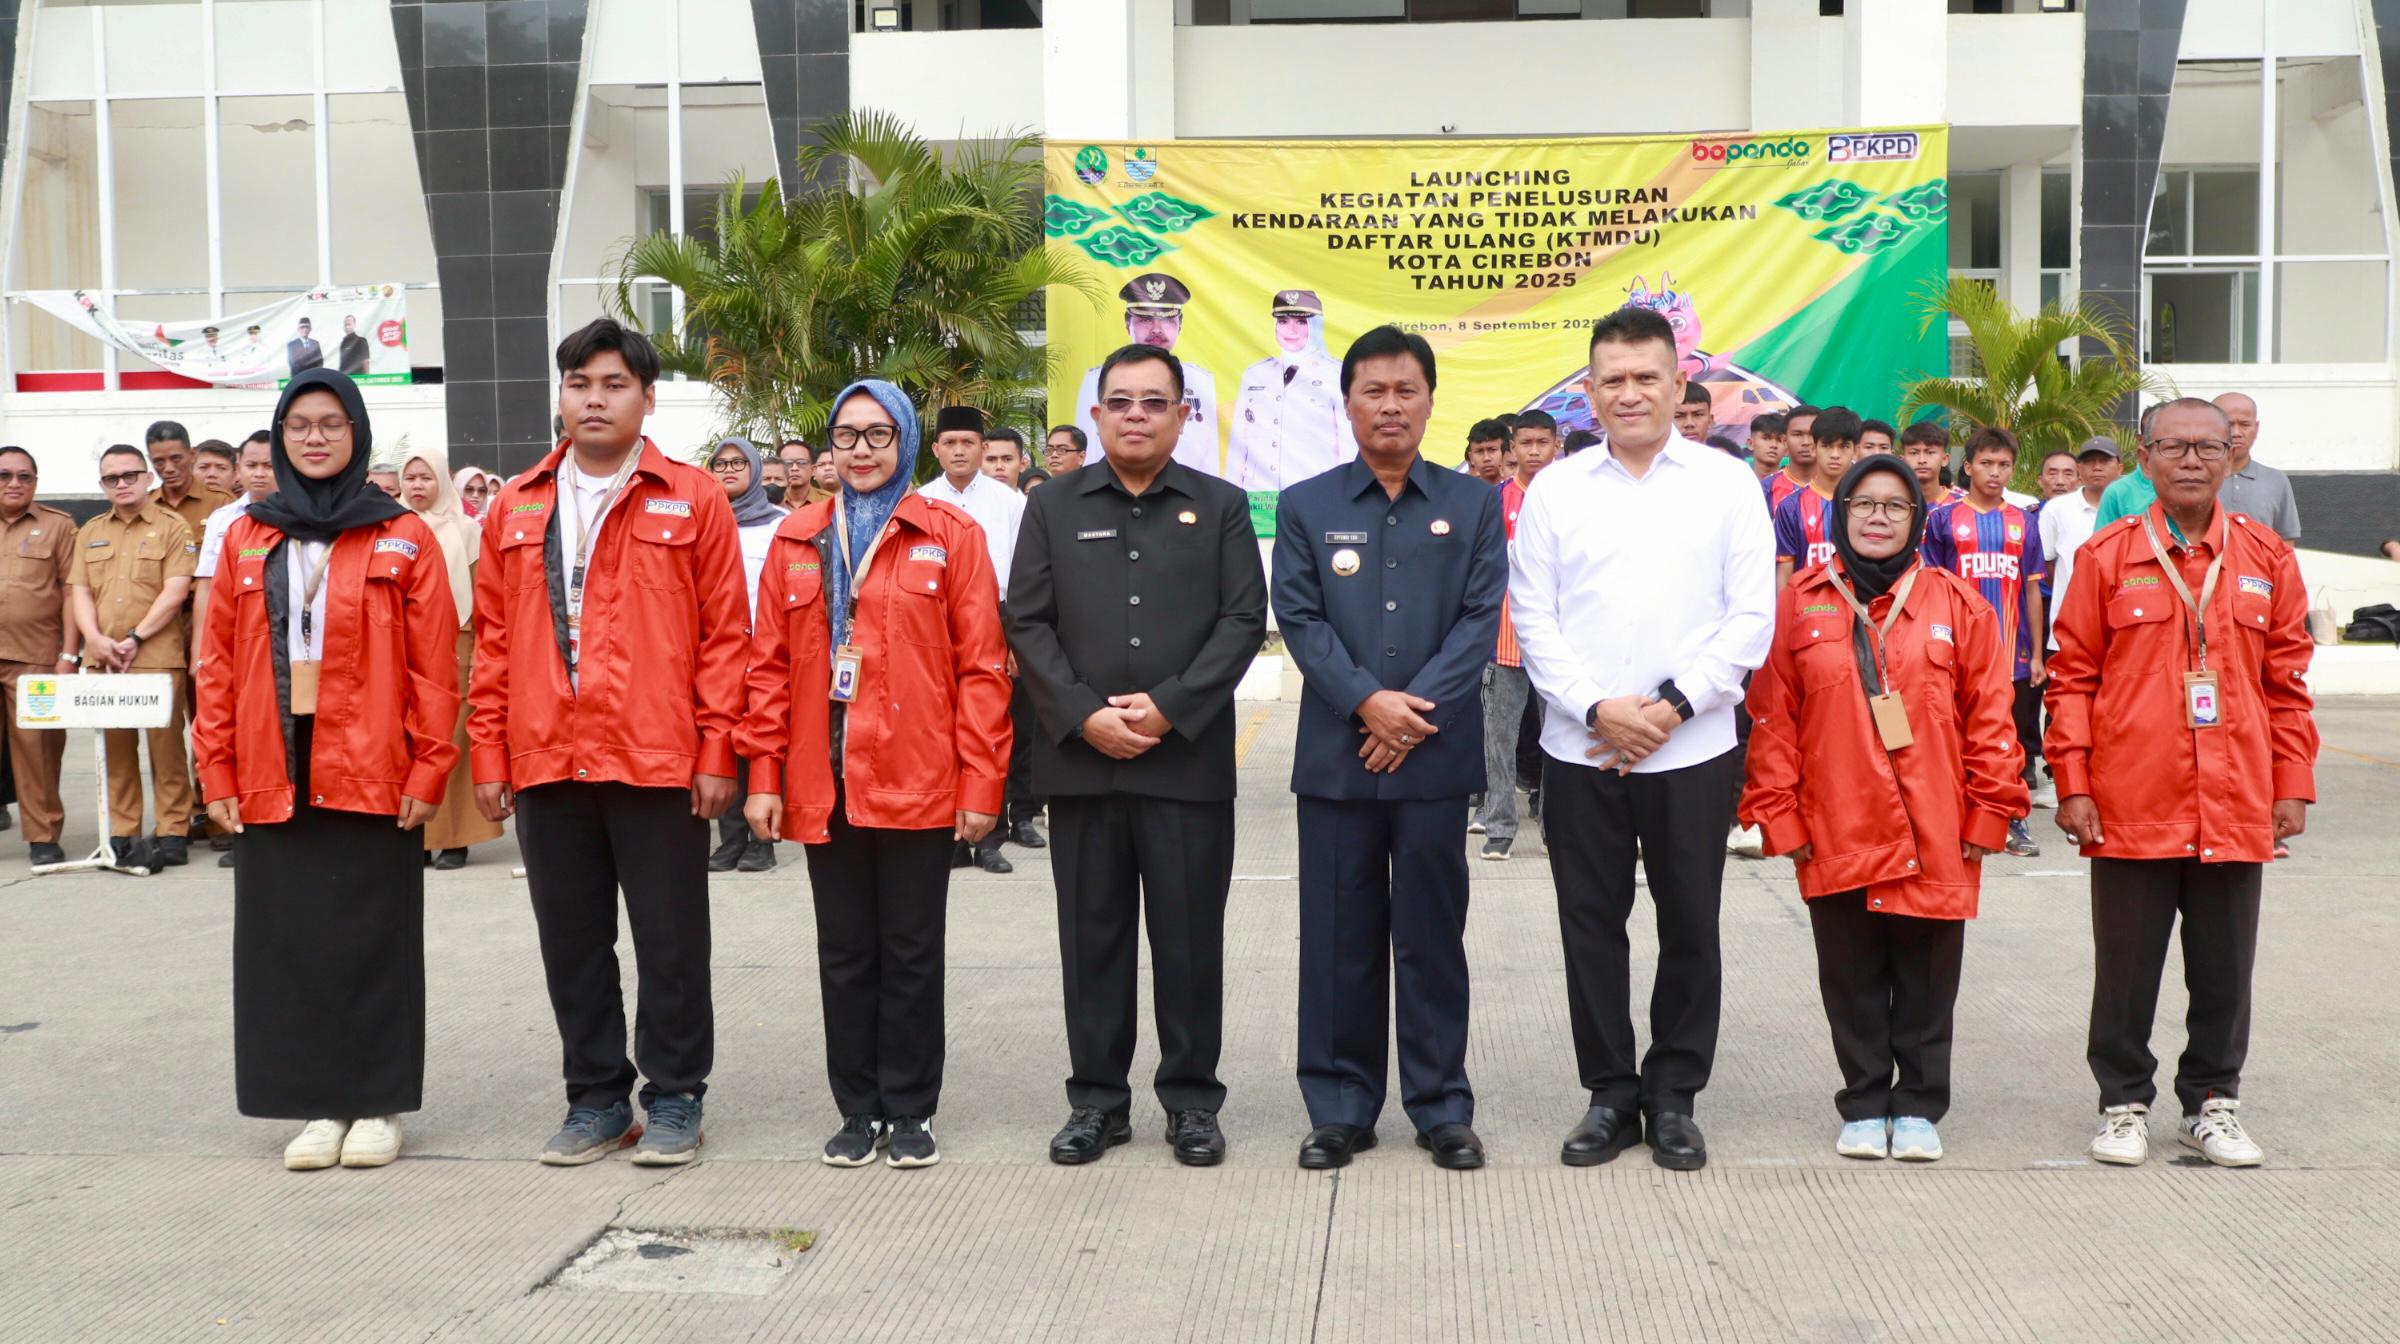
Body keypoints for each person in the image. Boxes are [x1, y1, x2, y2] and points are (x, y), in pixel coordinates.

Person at [468, 318, 747, 1169]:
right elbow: (490, 640)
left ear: (647, 397)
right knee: (572, 940)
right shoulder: (516, 503)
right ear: (561, 396)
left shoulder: (692, 497)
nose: (595, 398)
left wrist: (714, 753)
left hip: (655, 758)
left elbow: (727, 637)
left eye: (614, 384)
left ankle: (674, 1098)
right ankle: (594, 1099)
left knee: (670, 941)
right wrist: (490, 753)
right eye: (580, 383)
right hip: (548, 758)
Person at [1510, 305, 1775, 1173]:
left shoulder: (1726, 483)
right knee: (1591, 925)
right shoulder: (1555, 488)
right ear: (1589, 393)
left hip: (1691, 748)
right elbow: (1535, 621)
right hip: (1580, 749)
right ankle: (1609, 1094)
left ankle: (1673, 1097)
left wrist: (1666, 707)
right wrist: (1597, 711)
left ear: (1677, 384)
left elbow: (1749, 619)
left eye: (1646, 377)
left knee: (1690, 923)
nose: (1630, 393)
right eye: (1612, 379)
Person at [193, 368, 459, 1172]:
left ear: (358, 434)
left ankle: (376, 1103)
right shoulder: (247, 534)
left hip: (372, 757)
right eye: (300, 424)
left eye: (332, 424)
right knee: (287, 941)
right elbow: (213, 665)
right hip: (273, 755)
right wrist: (218, 773)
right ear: (278, 437)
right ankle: (315, 1105)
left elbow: (436, 667)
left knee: (373, 936)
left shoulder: (401, 535)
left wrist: (427, 772)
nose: (314, 437)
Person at [742, 379, 1011, 1172]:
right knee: (845, 952)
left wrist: (979, 786)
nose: (862, 450)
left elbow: (983, 670)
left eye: (878, 435)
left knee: (912, 950)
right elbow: (764, 671)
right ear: (830, 447)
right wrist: (763, 775)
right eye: (848, 435)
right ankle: (857, 1109)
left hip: (918, 776)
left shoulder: (950, 534)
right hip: (822, 780)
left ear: (905, 444)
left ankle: (912, 1109)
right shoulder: (795, 537)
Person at [1009, 343, 1266, 1168]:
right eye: (1120, 401)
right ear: (1096, 415)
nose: (1136, 415)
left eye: (1155, 402)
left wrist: (1168, 709)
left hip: (1183, 765)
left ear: (1184, 415)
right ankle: (1096, 1102)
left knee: (1189, 942)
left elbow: (1241, 621)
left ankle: (1192, 1101)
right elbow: (1028, 622)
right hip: (1083, 765)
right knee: (1093, 940)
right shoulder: (1051, 506)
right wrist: (1084, 716)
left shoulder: (1222, 507)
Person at [2045, 396, 2316, 1169]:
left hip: (2235, 798)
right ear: (2145, 456)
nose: (2192, 459)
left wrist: (2289, 782)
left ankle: (2212, 1104)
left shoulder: (2267, 558)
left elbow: (2288, 684)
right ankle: (2123, 1101)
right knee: (2126, 965)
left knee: (2226, 963)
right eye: (2175, 446)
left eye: (2209, 447)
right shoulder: (2106, 558)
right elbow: (2072, 680)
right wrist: (2073, 782)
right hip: (2133, 798)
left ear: (2234, 457)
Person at [1740, 453, 2027, 1163]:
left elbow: (1992, 719)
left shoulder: (1957, 604)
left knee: (1928, 976)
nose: (1877, 516)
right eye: (1862, 503)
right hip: (1834, 817)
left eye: (1894, 506)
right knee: (1850, 972)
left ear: (1916, 518)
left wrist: (1991, 813)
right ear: (1840, 516)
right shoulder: (1800, 602)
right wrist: (1780, 816)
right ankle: (1865, 1100)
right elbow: (1772, 719)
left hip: (1938, 822)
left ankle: (1921, 1105)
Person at [1274, 326, 1505, 1174]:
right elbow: (1300, 621)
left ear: (1429, 399)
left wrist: (1409, 717)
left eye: (1406, 389)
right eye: (1373, 390)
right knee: (1338, 936)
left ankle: (1441, 1106)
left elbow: (1479, 619)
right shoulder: (1307, 505)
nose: (1391, 405)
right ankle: (1339, 1107)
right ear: (1349, 402)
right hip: (1338, 762)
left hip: (1435, 760)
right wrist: (1368, 704)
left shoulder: (1474, 504)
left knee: (1431, 935)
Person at [71, 445, 199, 870]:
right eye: (112, 478)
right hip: (104, 658)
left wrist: (134, 637)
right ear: (102, 485)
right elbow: (80, 592)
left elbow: (176, 590)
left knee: (166, 752)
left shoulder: (172, 527)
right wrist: (93, 638)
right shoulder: (88, 531)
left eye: (130, 475)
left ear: (148, 478)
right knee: (116, 750)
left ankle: (172, 831)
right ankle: (123, 832)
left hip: (156, 656)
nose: (122, 484)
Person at [1923, 427, 2048, 857]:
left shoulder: (2023, 521)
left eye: (2004, 465)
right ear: (1968, 465)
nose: (1996, 473)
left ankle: (2013, 821)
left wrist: (2036, 654)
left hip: (2011, 651)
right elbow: (1932, 586)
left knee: (2005, 737)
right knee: (1956, 734)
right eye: (1987, 463)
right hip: (1957, 650)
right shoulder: (1942, 519)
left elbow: (2032, 589)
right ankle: (1955, 816)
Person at [919, 406, 1029, 872]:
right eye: (951, 443)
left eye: (969, 443)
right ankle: (950, 837)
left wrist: (1016, 641)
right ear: (936, 450)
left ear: (984, 449)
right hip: (935, 619)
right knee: (942, 728)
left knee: (993, 727)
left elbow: (1026, 574)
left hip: (996, 618)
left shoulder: (1011, 503)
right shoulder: (920, 502)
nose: (960, 450)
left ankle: (990, 839)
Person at [397, 443, 503, 872]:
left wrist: (481, 650)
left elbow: (485, 597)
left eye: (426, 477)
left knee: (454, 736)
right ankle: (416, 835)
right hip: (402, 643)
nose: (417, 485)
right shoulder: (389, 527)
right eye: (410, 477)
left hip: (456, 640)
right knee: (408, 736)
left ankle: (455, 838)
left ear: (442, 480)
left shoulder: (468, 530)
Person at [1470, 410, 1557, 862]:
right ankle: (1500, 827)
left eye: (1543, 443)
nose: (1535, 452)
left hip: (1558, 647)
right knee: (1498, 740)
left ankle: (1554, 827)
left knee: (1559, 741)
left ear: (1556, 445)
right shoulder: (1495, 501)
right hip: (1504, 642)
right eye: (1526, 444)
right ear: (1512, 450)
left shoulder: (1569, 499)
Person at [194, 433, 280, 865]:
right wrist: (201, 654)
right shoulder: (225, 522)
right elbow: (208, 591)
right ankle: (235, 829)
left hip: (274, 649)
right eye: (252, 465)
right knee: (230, 736)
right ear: (238, 469)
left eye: (268, 464)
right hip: (231, 641)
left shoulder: (298, 518)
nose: (260, 473)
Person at [704, 436, 787, 875]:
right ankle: (730, 839)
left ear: (755, 469)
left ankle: (762, 841)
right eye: (721, 464)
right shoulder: (703, 521)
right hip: (717, 650)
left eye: (738, 462)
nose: (729, 470)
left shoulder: (780, 523)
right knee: (721, 739)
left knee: (761, 741)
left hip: (767, 647)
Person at [0, 446, 82, 867]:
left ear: (36, 482)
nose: (14, 483)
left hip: (37, 656)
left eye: (24, 476)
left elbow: (73, 592)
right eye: (5, 475)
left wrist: (69, 654)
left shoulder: (58, 526)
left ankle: (43, 835)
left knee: (39, 750)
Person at [1074, 273, 1221, 476]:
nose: (1156, 329)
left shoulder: (1201, 381)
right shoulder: (1096, 380)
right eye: (1145, 319)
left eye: (1168, 319)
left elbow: (1208, 459)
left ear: (1180, 325)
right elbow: (1090, 450)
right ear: (1128, 324)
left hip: (1186, 498)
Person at [1225, 289, 1356, 492]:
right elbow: (1238, 444)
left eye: (1301, 322)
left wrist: (1344, 498)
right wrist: (1231, 495)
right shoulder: (1255, 374)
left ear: (1315, 326)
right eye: (1283, 321)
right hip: (1258, 498)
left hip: (1314, 495)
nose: (1291, 330)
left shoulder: (1336, 374)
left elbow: (1348, 446)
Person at [2040, 437, 2125, 679]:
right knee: (2065, 706)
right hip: (2069, 629)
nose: (2096, 467)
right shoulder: (2057, 509)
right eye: (2089, 461)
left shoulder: (2133, 505)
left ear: (2119, 467)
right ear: (2080, 469)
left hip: (2120, 626)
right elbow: (2046, 564)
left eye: (2104, 461)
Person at [1773, 406, 1861, 587]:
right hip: (1806, 612)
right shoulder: (1790, 507)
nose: (1835, 455)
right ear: (1814, 448)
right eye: (1827, 445)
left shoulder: (1870, 504)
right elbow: (1784, 577)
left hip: (1857, 611)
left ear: (1855, 450)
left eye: (1844, 446)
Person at [2213, 392, 2302, 544]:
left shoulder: (2276, 480)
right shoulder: (2197, 478)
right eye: (2228, 425)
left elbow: (2285, 543)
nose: (2236, 433)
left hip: (2262, 568)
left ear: (2256, 428)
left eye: (2245, 425)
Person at [1765, 404, 1819, 510]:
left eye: (1813, 434)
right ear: (1784, 441)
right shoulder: (1765, 490)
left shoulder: (1842, 487)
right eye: (1798, 434)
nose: (1806, 442)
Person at [1899, 421, 1959, 505]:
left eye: (1930, 452)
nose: (1922, 460)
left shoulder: (1962, 504)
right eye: (1914, 453)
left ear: (1944, 459)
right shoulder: (1892, 503)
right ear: (1902, 460)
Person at [1463, 419, 1509, 486]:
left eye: (1492, 450)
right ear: (1471, 458)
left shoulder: (1526, 491)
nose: (1486, 458)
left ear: (1507, 452)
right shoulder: (1463, 493)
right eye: (1479, 451)